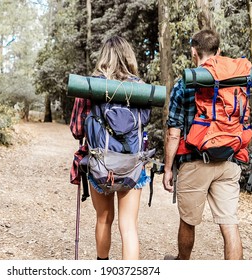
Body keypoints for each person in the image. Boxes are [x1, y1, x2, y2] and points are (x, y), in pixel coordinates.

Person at [162, 29, 244, 260]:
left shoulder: (185, 83)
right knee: (229, 224)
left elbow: (174, 132)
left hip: (194, 162)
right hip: (229, 161)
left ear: (193, 52)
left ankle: (183, 265)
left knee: (188, 221)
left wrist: (168, 169)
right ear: (218, 52)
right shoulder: (234, 81)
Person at [70, 35, 148, 260]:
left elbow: (76, 130)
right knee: (129, 226)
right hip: (132, 166)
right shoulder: (141, 89)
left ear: (104, 57)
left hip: (100, 166)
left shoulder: (89, 87)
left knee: (104, 219)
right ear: (129, 57)